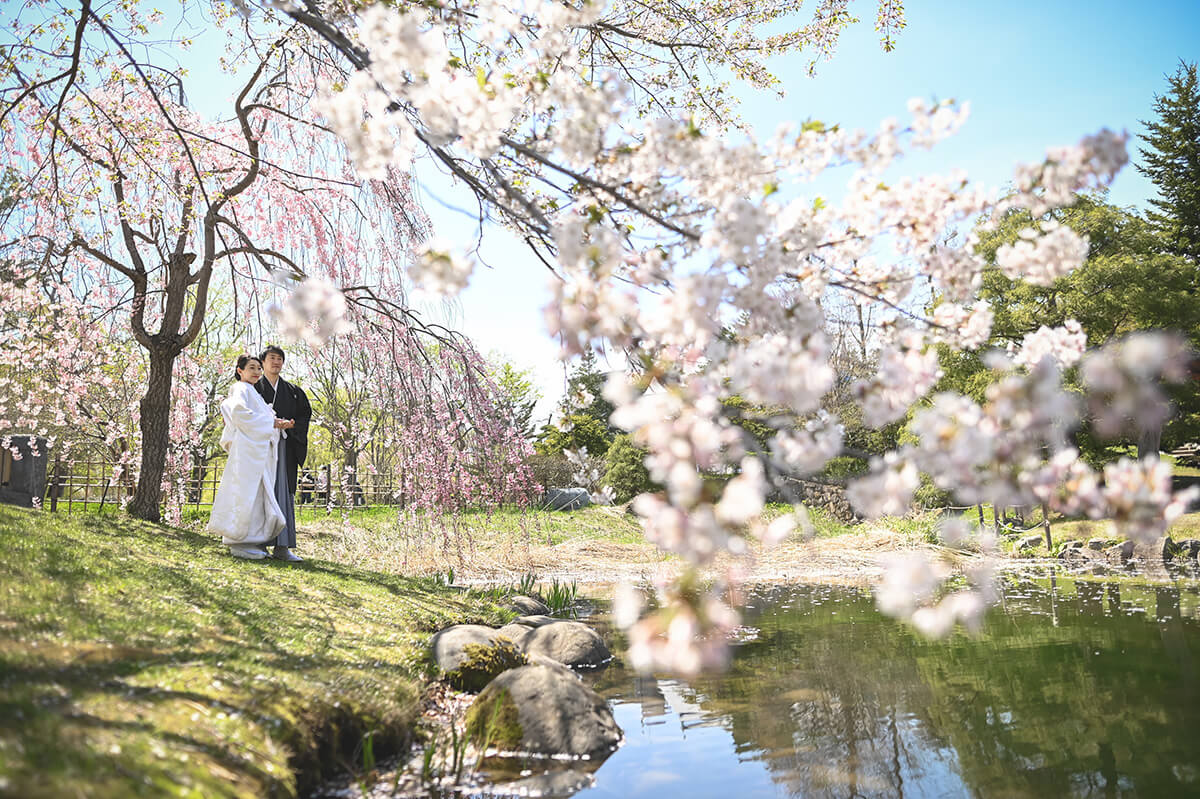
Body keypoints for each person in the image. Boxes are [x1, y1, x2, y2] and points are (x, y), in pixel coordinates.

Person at [207, 355, 293, 559]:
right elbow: (237, 412)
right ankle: (239, 540)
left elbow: (257, 417)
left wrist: (276, 423)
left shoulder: (251, 391)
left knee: (254, 495)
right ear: (240, 370)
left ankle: (249, 540)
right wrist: (272, 424)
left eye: (258, 368)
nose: (256, 372)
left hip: (254, 450)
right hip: (247, 451)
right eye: (251, 368)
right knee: (246, 494)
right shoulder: (241, 389)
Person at [256, 345, 312, 562]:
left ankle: (282, 547)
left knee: (283, 493)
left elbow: (304, 417)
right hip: (261, 448)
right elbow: (245, 415)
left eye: (280, 358)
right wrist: (270, 424)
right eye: (272, 358)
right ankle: (257, 543)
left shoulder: (294, 392)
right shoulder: (253, 389)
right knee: (260, 492)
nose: (276, 362)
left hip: (285, 448)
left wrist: (291, 426)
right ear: (262, 362)